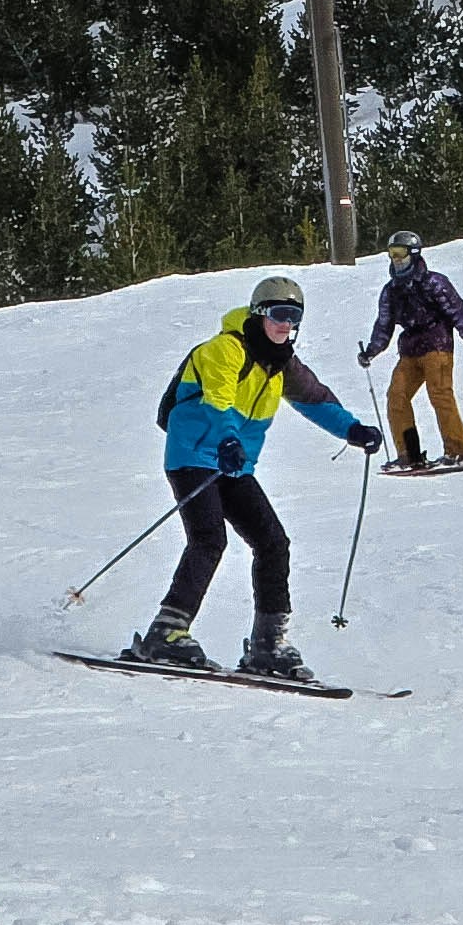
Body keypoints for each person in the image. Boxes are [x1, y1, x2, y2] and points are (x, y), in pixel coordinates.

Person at [129, 272, 380, 679]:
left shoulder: (281, 364)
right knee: (209, 539)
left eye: (294, 318)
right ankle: (167, 632)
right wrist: (227, 440)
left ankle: (268, 645)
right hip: (194, 455)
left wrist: (353, 430)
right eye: (280, 315)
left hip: (234, 464)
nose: (287, 325)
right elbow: (218, 400)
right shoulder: (223, 350)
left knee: (273, 542)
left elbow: (317, 401)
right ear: (260, 314)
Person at [361, 230, 463, 467]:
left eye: (401, 253)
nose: (396, 259)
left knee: (439, 394)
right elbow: (384, 325)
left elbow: (456, 310)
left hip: (437, 345)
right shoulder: (391, 291)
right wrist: (371, 351)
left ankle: (459, 451)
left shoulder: (433, 283)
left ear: (414, 255)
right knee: (397, 397)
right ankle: (410, 454)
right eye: (392, 254)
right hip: (410, 350)